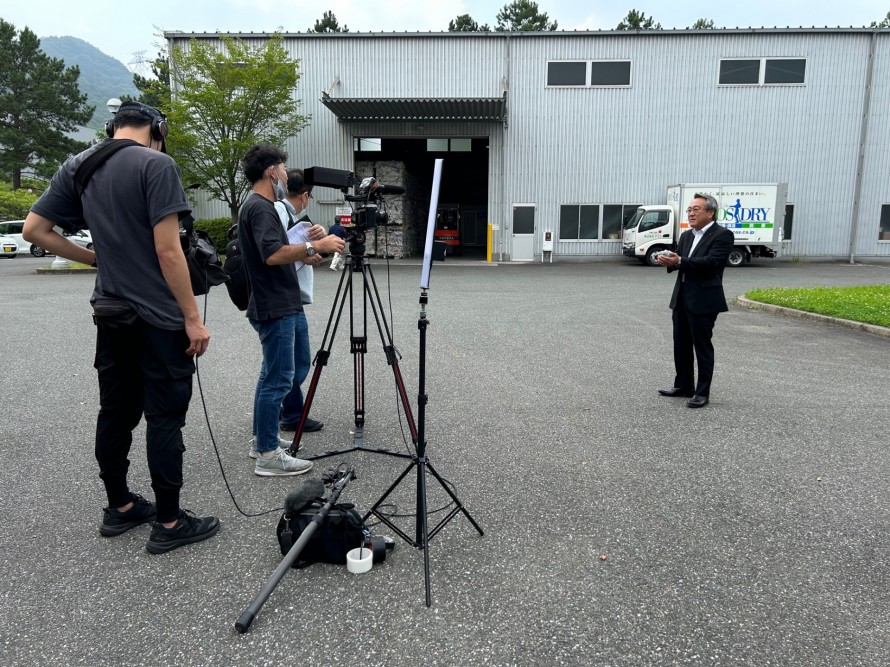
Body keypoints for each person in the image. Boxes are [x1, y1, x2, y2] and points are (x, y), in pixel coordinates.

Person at [23, 101, 219, 553]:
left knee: (116, 411)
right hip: (157, 316)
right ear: (157, 128)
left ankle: (121, 507)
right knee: (164, 416)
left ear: (113, 127)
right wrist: (193, 318)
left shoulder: (77, 166)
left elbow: (34, 229)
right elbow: (169, 252)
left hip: (110, 312)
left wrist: (95, 258)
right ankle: (169, 524)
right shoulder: (156, 163)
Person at [238, 145, 345, 476]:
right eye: (283, 168)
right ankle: (268, 455)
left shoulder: (263, 206)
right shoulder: (260, 207)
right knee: (278, 377)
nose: (287, 174)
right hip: (276, 305)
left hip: (282, 301)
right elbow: (271, 254)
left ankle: (263, 440)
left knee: (277, 372)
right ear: (272, 171)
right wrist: (318, 245)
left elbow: (279, 252)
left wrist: (307, 250)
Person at [656, 193, 734, 408]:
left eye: (695, 209)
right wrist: (669, 261)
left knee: (702, 346)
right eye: (689, 209)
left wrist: (680, 260)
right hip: (682, 297)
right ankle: (683, 385)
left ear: (710, 212)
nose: (690, 213)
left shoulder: (723, 235)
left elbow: (712, 262)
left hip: (705, 299)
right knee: (681, 344)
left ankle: (702, 392)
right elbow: (681, 261)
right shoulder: (687, 235)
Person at [273, 168, 326, 434]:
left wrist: (307, 252)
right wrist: (311, 249)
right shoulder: (279, 212)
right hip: (284, 297)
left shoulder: (288, 214)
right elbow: (275, 253)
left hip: (291, 296)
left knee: (291, 361)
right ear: (305, 196)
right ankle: (285, 414)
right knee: (292, 363)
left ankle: (289, 412)